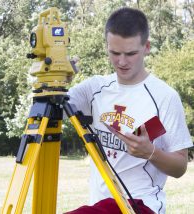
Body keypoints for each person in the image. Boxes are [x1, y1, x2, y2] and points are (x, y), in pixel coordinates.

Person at [65, 7, 193, 214]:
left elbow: (180, 167)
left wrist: (151, 152)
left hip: (141, 205)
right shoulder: (95, 88)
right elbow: (48, 114)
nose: (122, 62)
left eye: (131, 53)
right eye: (114, 53)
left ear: (147, 47)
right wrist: (57, 82)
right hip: (101, 205)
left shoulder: (164, 96)